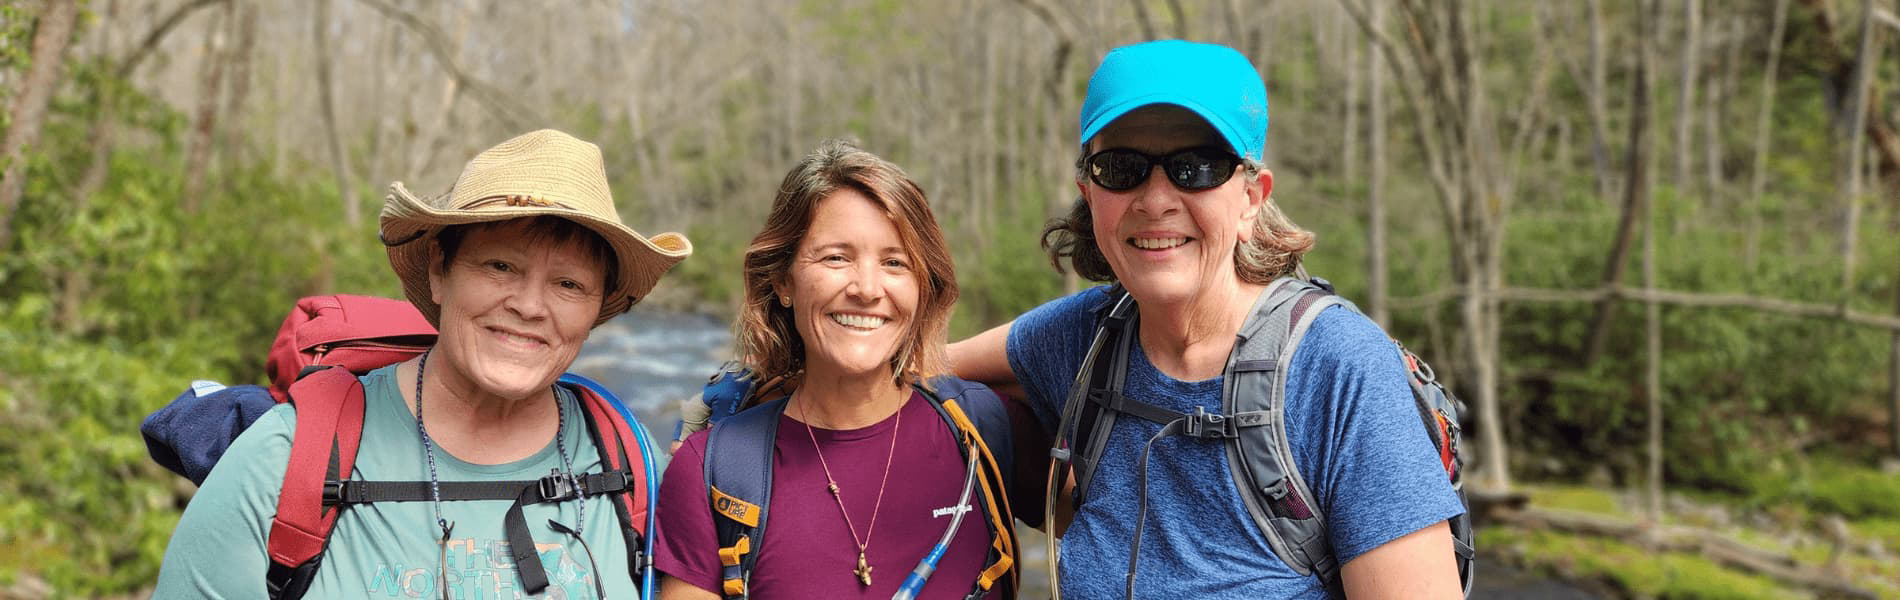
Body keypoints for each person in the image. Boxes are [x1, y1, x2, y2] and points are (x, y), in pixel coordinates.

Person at [948, 40, 1467, 598]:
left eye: (1195, 169)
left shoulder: (1337, 366)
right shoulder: (1083, 338)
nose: (1155, 200)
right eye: (1121, 168)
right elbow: (913, 369)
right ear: (1089, 194)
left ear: (1251, 199)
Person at [154, 129, 692, 598]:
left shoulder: (634, 463)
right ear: (439, 270)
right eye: (500, 266)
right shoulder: (283, 459)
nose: (530, 306)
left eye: (569, 284)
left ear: (597, 308)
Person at [654, 140, 1021, 599]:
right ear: (783, 281)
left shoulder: (983, 426)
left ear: (922, 286)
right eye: (836, 258)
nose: (867, 289)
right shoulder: (711, 469)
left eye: (894, 263)